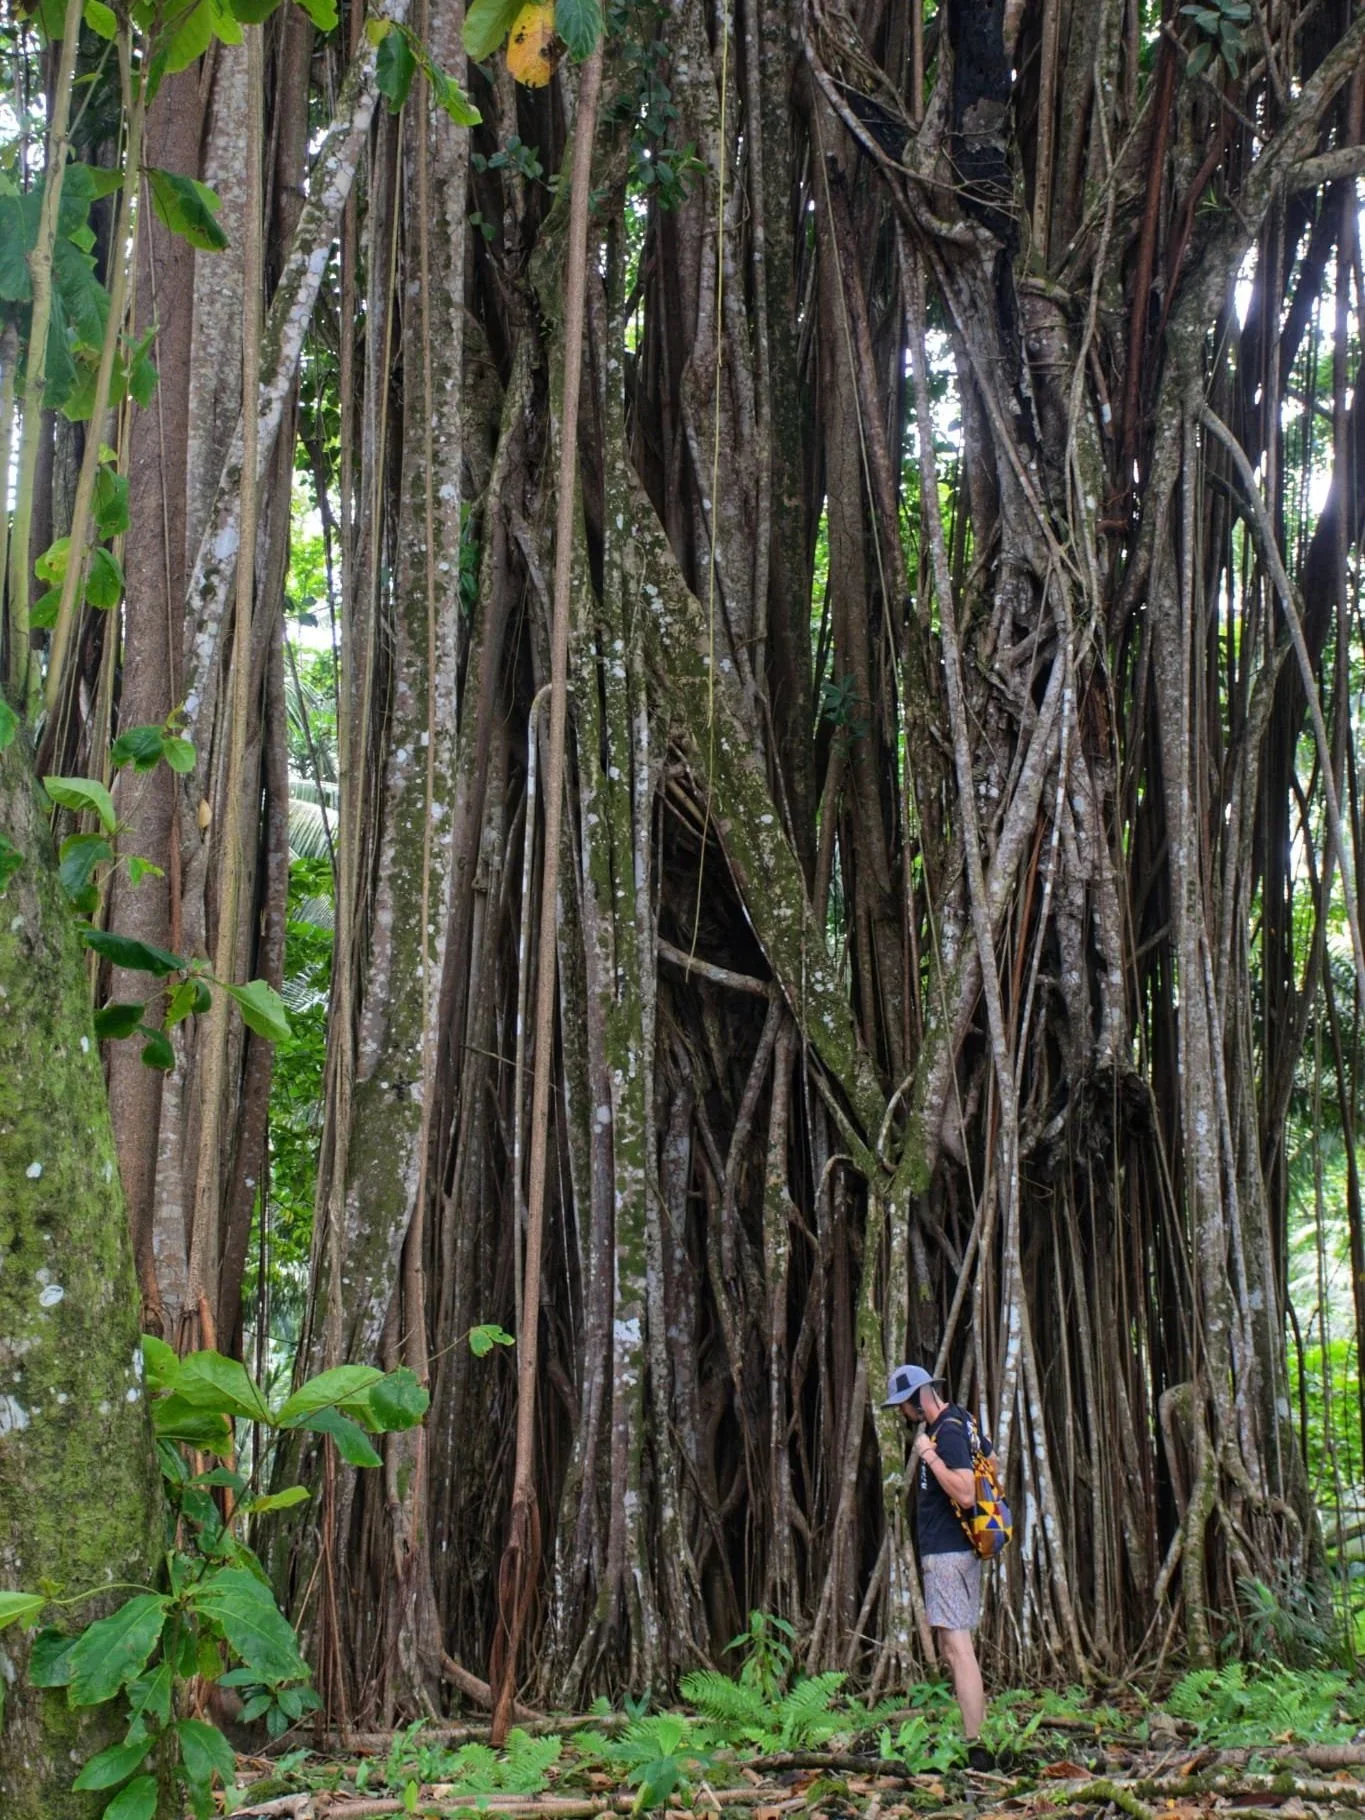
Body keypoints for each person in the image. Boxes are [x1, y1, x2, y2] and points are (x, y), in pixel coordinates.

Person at [882, 1362, 994, 1771]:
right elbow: (993, 1462)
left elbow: (966, 1493)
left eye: (903, 1405)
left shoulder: (944, 1431)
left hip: (948, 1553)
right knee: (952, 1646)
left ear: (918, 1398)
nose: (902, 1414)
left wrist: (930, 1457)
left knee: (959, 1650)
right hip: (954, 1551)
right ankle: (975, 1737)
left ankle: (976, 1746)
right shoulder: (962, 1420)